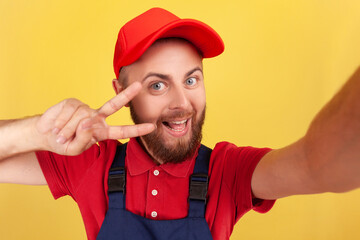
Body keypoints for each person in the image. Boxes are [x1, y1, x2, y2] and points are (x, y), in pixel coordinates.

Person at [0, 7, 359, 240]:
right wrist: (36, 133)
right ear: (121, 90)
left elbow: (318, 166)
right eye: (158, 84)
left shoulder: (227, 173)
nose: (182, 103)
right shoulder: (91, 161)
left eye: (191, 80)